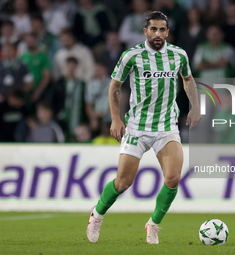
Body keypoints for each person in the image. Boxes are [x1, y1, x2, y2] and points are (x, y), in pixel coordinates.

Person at [86, 11, 201, 244]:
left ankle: (153, 224)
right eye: (153, 29)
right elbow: (114, 86)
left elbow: (187, 79)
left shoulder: (178, 54)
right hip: (137, 127)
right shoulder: (132, 55)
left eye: (162, 29)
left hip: (166, 126)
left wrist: (196, 106)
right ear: (145, 31)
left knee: (173, 178)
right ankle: (97, 214)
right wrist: (116, 118)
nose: (158, 34)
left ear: (167, 32)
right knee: (123, 182)